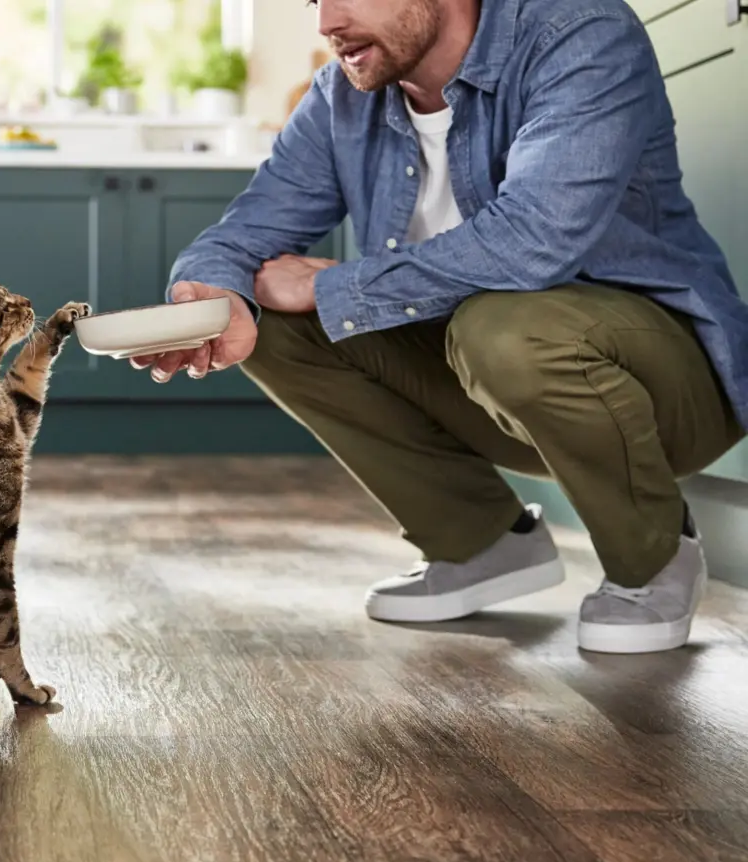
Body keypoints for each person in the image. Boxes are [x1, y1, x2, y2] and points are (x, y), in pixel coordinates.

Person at [135, 0, 748, 654]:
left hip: (662, 391)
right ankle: (481, 543)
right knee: (270, 322)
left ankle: (653, 554)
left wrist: (329, 285)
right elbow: (239, 236)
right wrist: (211, 300)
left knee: (498, 327)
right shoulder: (341, 97)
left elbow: (533, 241)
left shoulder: (578, 32)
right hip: (495, 389)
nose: (325, 22)